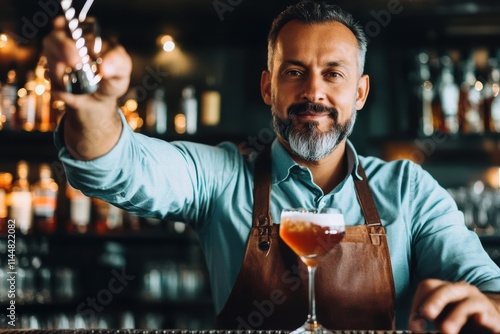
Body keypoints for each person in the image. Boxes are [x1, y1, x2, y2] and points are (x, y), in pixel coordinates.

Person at [43, 0, 500, 332]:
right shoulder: (221, 177)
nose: (313, 92)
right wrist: (93, 111)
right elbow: (118, 168)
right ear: (268, 88)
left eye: (333, 74)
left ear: (359, 93)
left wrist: (489, 305)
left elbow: (487, 286)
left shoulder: (408, 189)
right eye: (294, 71)